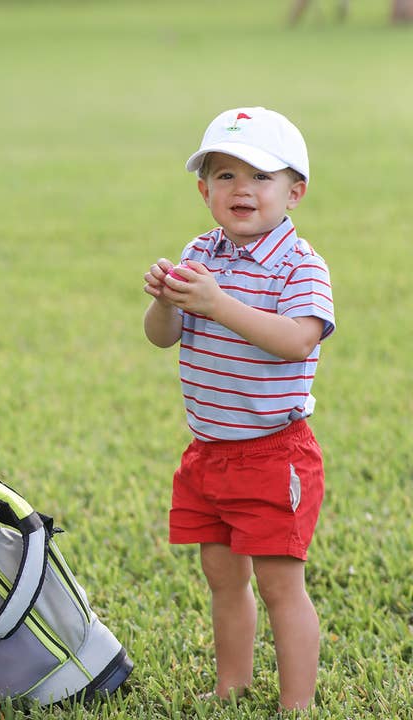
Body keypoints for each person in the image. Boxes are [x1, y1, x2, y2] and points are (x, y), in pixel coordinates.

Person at [143, 107, 335, 710]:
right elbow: (162, 336)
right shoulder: (201, 252)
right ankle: (233, 686)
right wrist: (167, 301)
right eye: (225, 176)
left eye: (260, 176)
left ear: (294, 191)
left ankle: (295, 704)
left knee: (282, 586)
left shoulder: (299, 265)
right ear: (204, 191)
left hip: (273, 452)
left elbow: (298, 339)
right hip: (208, 451)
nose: (241, 189)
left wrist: (218, 303)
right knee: (223, 578)